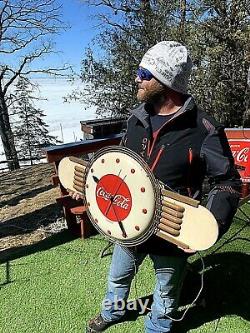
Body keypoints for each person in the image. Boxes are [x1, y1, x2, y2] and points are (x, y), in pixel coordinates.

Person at [73, 41, 241, 333]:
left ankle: (157, 328)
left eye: (143, 72)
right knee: (118, 277)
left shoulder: (204, 128)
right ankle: (111, 313)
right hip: (130, 225)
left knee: (165, 295)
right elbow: (121, 168)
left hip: (171, 230)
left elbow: (227, 182)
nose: (136, 78)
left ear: (165, 80)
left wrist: (207, 225)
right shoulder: (136, 119)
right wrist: (92, 187)